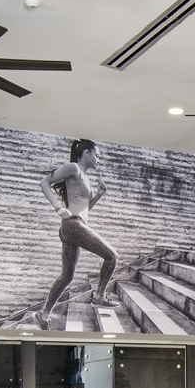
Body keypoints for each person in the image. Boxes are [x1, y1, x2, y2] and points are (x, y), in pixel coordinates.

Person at [37, 138, 119, 326]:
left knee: (67, 276)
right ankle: (99, 296)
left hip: (74, 226)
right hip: (73, 224)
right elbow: (44, 182)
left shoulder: (85, 178)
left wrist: (98, 194)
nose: (99, 159)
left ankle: (44, 315)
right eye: (97, 155)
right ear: (87, 153)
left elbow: (85, 207)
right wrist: (58, 207)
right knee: (113, 256)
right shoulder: (73, 167)